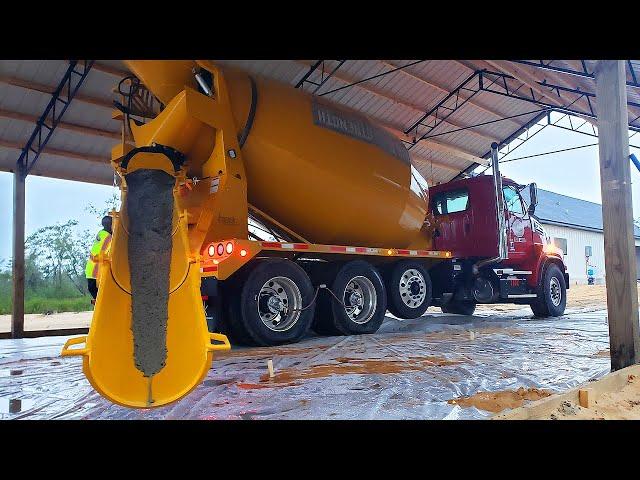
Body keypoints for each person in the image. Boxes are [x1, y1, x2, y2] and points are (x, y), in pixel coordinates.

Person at [85, 216, 113, 302]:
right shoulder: (108, 237)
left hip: (91, 269)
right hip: (96, 270)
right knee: (97, 291)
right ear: (110, 225)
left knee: (93, 290)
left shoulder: (101, 233)